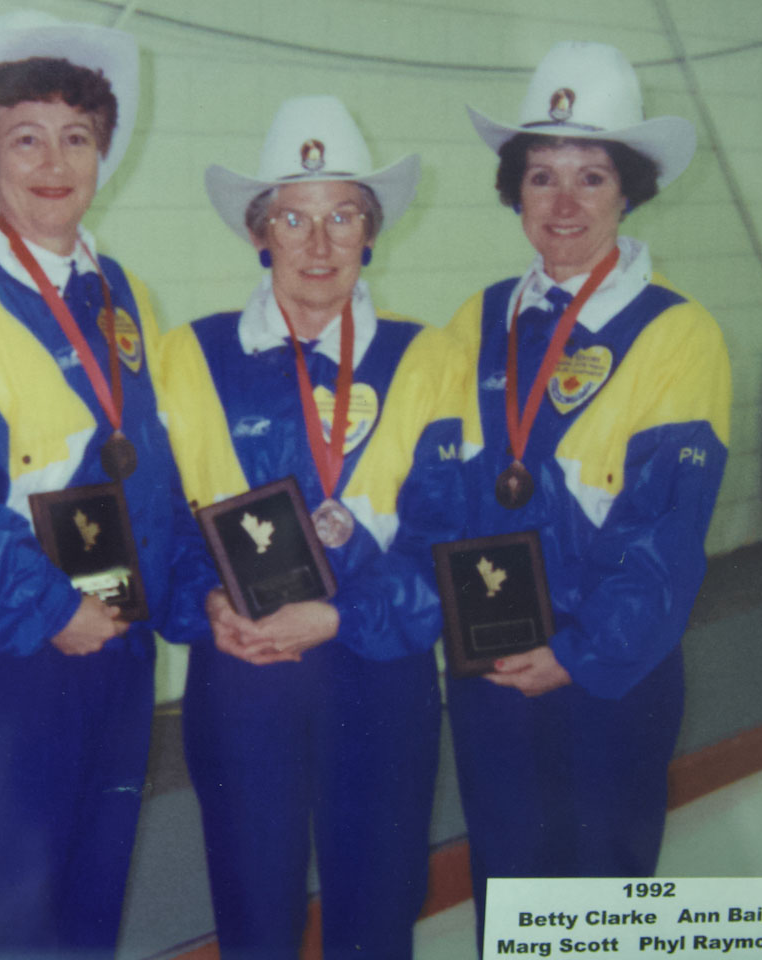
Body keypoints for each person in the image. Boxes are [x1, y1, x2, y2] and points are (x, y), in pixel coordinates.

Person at [0, 11, 210, 955]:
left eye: (76, 136)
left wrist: (198, 601)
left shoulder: (126, 298)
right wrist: (49, 610)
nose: (53, 160)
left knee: (93, 893)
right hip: (11, 656)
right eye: (24, 138)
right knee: (16, 910)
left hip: (114, 639)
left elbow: (159, 482)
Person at [158, 95, 466, 960]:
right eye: (295, 218)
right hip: (246, 670)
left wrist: (338, 615)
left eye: (344, 217)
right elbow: (169, 528)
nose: (321, 244)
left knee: (377, 911)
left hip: (378, 675)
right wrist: (210, 602)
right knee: (255, 916)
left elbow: (444, 540)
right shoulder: (191, 356)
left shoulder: (430, 357)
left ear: (372, 233)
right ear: (260, 232)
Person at [446, 41, 731, 947]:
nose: (564, 204)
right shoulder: (476, 319)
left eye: (592, 176)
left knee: (597, 916)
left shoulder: (680, 335)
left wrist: (574, 653)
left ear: (629, 189)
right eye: (541, 177)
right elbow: (432, 489)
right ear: (515, 191)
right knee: (511, 905)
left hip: (608, 676)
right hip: (493, 668)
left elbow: (666, 541)